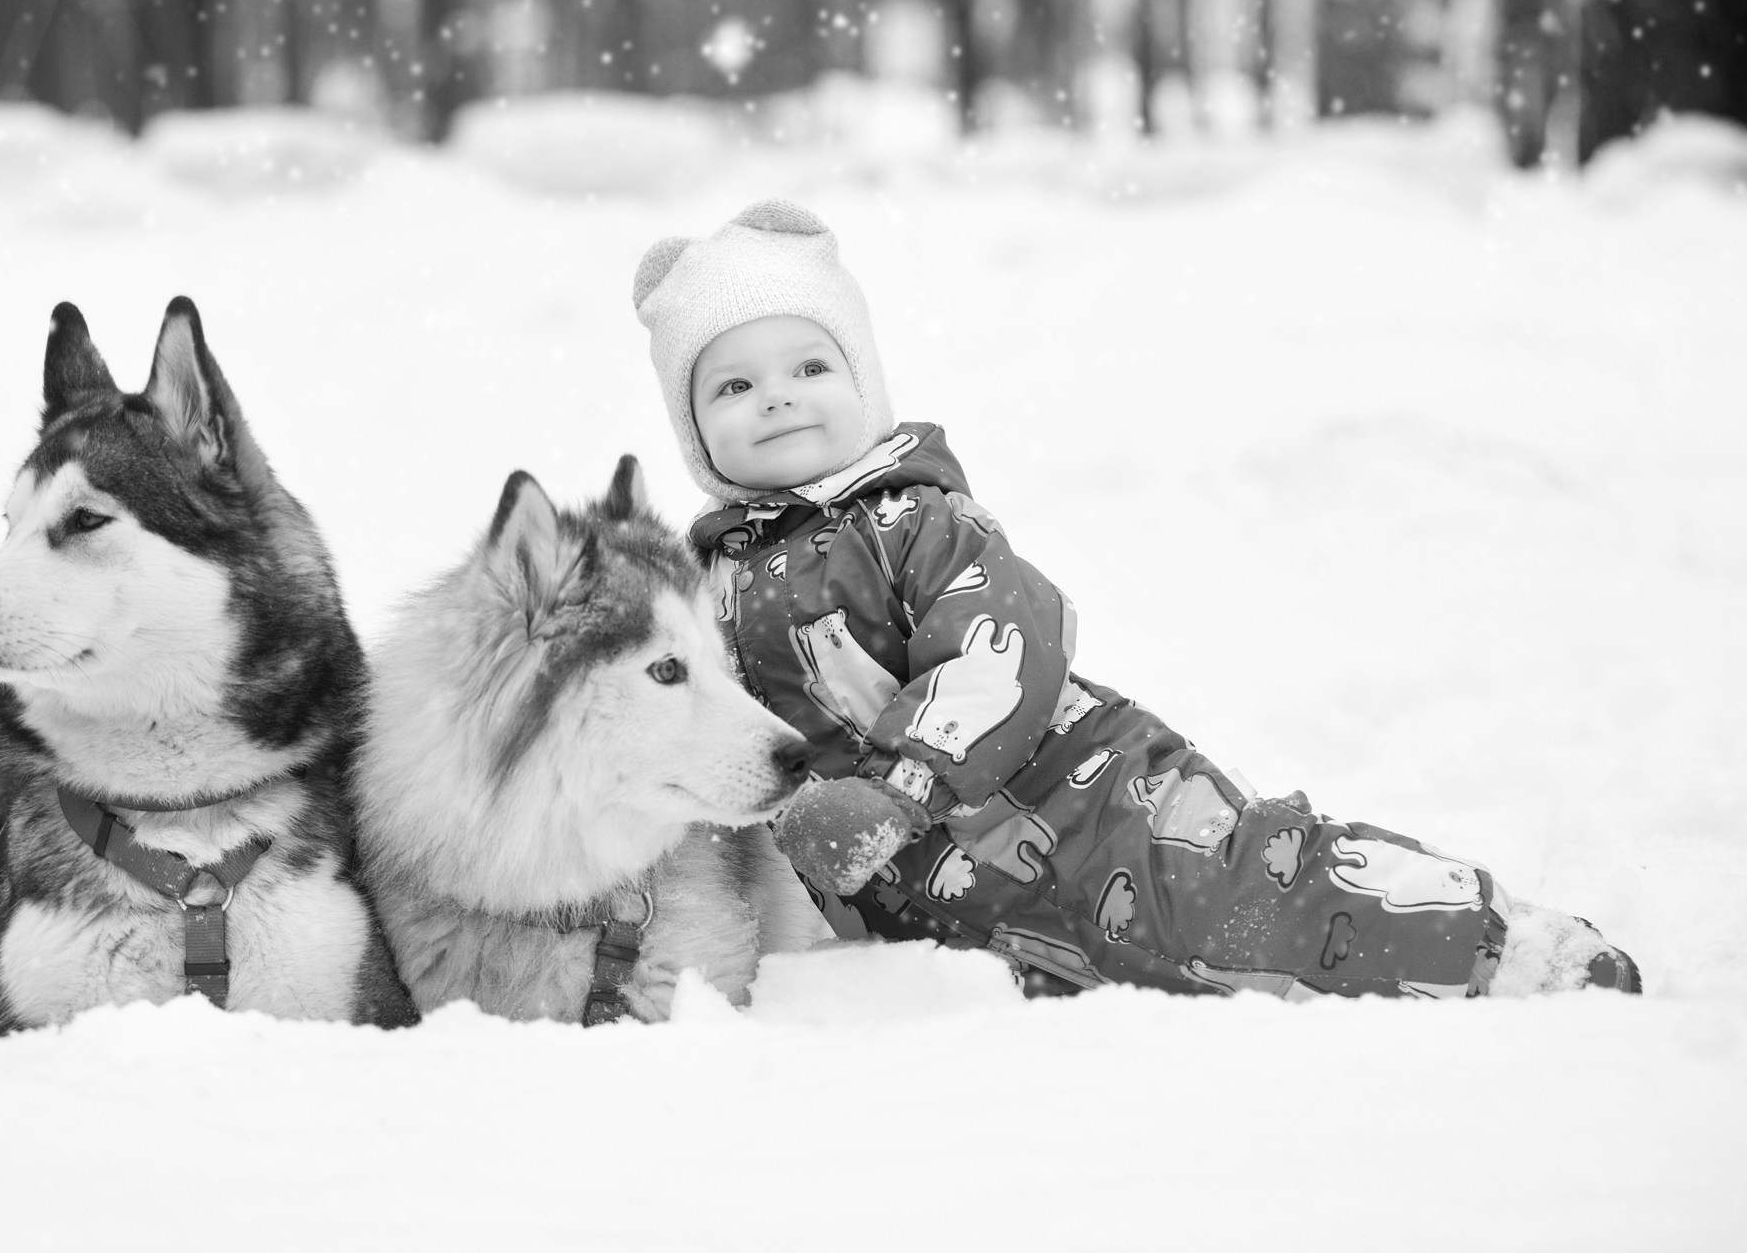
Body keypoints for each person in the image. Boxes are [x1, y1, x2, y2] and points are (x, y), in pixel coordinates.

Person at [630, 198, 1639, 1000]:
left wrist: (899, 789)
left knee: (1252, 888)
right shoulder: (701, 581)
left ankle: (1497, 943)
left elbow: (999, 649)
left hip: (1081, 796)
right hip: (959, 901)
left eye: (809, 365)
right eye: (731, 386)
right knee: (1177, 982)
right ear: (695, 436)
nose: (776, 396)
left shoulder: (909, 518)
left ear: (865, 385)